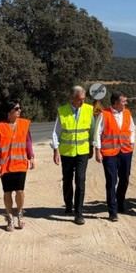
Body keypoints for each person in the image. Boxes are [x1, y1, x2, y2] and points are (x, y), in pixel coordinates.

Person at [51, 85, 96, 225]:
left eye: (83, 99)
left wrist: (92, 146)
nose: (82, 102)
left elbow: (92, 129)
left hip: (83, 151)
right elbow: (55, 132)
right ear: (72, 98)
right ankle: (68, 204)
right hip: (67, 152)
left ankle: (79, 213)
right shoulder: (62, 111)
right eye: (79, 99)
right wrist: (55, 150)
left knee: (80, 180)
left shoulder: (89, 109)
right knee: (67, 180)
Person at [0, 100, 35, 232]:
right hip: (6, 166)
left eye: (19, 108)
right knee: (7, 192)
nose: (19, 110)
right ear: (9, 112)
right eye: (16, 109)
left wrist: (31, 157)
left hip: (20, 164)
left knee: (20, 191)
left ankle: (19, 213)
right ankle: (10, 217)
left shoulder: (24, 124)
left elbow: (28, 142)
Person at [94, 91, 135, 222]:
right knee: (111, 181)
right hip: (109, 153)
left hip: (126, 151)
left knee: (125, 179)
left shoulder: (127, 113)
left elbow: (132, 129)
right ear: (116, 102)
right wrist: (97, 151)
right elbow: (97, 133)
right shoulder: (104, 114)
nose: (126, 103)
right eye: (123, 101)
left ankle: (120, 202)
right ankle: (112, 211)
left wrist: (132, 143)